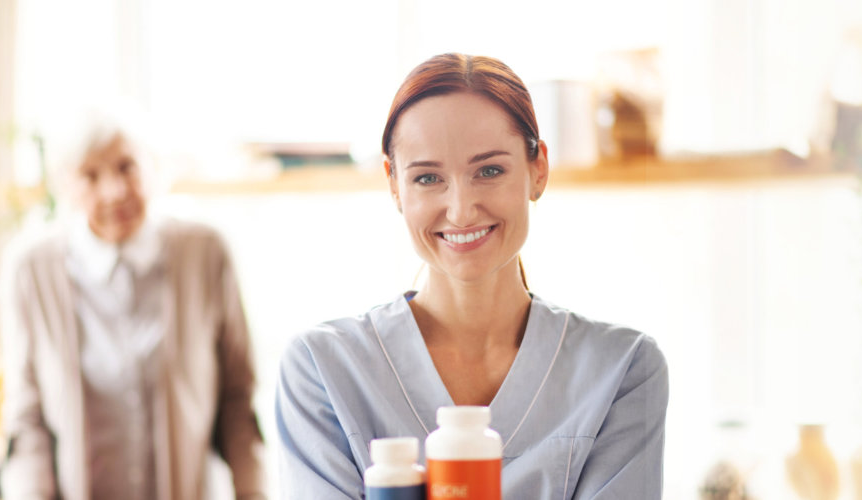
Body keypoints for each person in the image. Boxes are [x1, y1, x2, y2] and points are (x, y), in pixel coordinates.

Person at [275, 53, 669, 498]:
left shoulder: (621, 370)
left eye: (489, 170)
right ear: (393, 184)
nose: (461, 210)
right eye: (427, 178)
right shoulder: (323, 369)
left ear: (538, 168)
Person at [0, 109, 265, 500]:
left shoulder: (206, 253)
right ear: (65, 186)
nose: (114, 191)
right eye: (91, 176)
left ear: (152, 167)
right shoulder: (31, 271)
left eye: (126, 168)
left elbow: (238, 403)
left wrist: (254, 492)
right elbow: (27, 423)